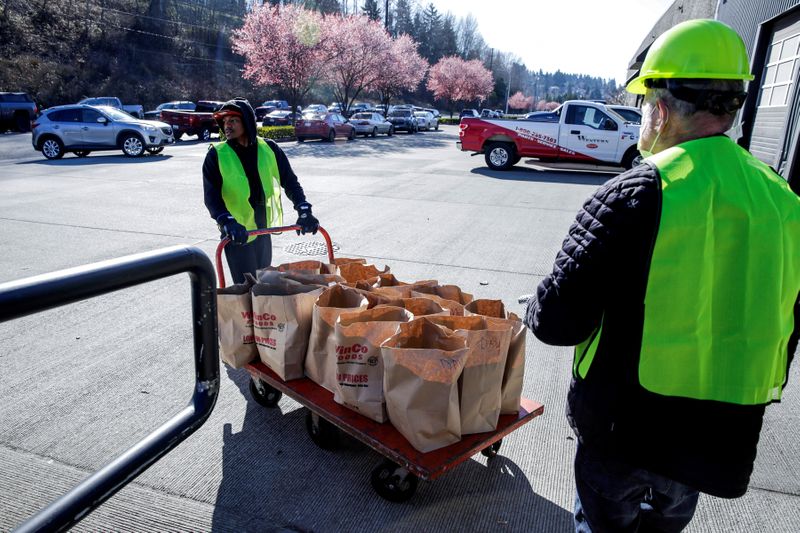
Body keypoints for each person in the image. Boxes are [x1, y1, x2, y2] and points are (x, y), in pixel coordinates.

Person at [525, 19, 800, 533]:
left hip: (623, 429)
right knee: (667, 523)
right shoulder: (783, 202)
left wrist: (536, 303)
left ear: (662, 107)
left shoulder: (638, 192)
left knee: (606, 522)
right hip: (717, 435)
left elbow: (557, 322)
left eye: (644, 104)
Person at [203, 98, 319, 284]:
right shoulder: (216, 154)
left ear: (247, 122)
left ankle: (264, 314)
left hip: (262, 229)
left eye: (233, 120)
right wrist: (226, 221)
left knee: (264, 285)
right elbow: (211, 197)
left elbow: (290, 182)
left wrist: (304, 209)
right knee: (246, 289)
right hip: (237, 233)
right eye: (224, 122)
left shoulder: (269, 148)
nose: (227, 126)